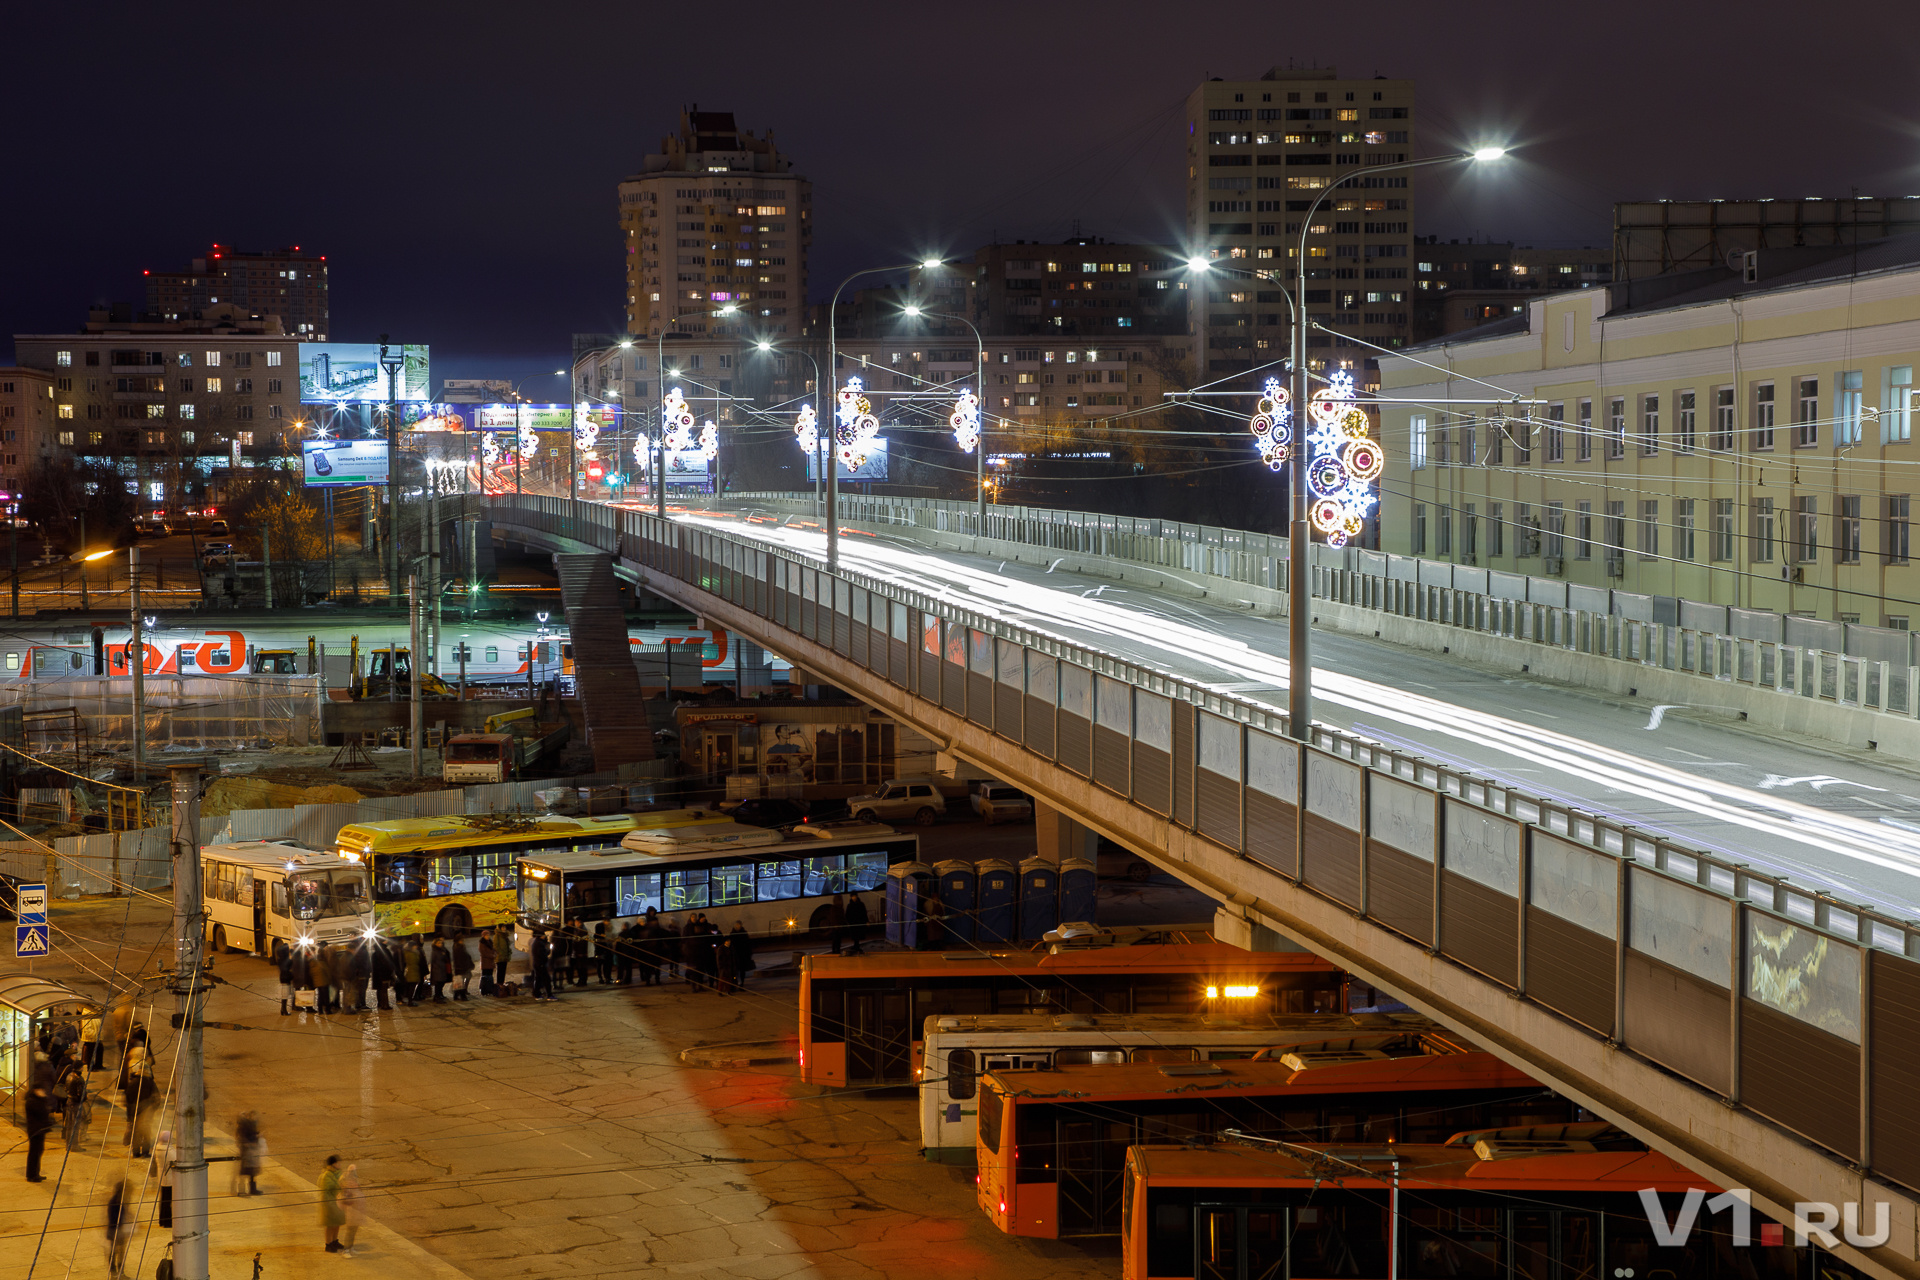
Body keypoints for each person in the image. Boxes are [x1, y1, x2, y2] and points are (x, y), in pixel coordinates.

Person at [23, 1069, 51, 1182]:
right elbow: (42, 1112)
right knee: (34, 1153)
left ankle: (35, 1173)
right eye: (41, 1090)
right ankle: (32, 1175)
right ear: (36, 1090)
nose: (43, 1092)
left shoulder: (36, 1100)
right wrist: (44, 1099)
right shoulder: (32, 1102)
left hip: (40, 1130)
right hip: (35, 1131)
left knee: (38, 1152)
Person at [61, 1057, 91, 1153]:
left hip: (69, 1102)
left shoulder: (69, 1075)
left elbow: (66, 1088)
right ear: (80, 1068)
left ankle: (68, 1145)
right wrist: (85, 1097)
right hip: (76, 1104)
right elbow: (81, 1094)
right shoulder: (79, 1079)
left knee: (69, 1125)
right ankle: (74, 1146)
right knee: (75, 1126)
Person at [105, 1180, 134, 1278]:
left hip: (118, 1230)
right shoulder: (115, 1202)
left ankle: (120, 1272)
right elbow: (115, 1218)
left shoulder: (120, 1201)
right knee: (115, 1251)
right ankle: (114, 1273)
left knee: (120, 1251)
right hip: (114, 1230)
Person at [339, 1161, 366, 1258]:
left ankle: (350, 1247)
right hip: (351, 1210)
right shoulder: (346, 1182)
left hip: (357, 1209)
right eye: (352, 1171)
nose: (353, 1173)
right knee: (350, 1230)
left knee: (354, 1229)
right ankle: (346, 1250)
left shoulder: (355, 1180)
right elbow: (346, 1196)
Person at [319, 1154, 345, 1252]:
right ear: (334, 1164)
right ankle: (328, 1244)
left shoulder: (338, 1173)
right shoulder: (327, 1175)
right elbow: (326, 1192)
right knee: (330, 1225)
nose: (340, 1164)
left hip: (338, 1202)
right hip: (329, 1204)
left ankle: (334, 1241)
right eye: (338, 1163)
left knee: (337, 1224)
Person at [234, 1111, 264, 1196]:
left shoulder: (247, 1126)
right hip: (247, 1152)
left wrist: (257, 1135)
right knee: (246, 1172)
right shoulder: (243, 1127)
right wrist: (252, 1143)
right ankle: (244, 1190)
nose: (246, 1115)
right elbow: (243, 1139)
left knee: (251, 1172)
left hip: (249, 1152)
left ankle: (251, 1189)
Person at [151, 1128, 174, 1227]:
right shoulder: (168, 1151)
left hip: (162, 1176)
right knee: (168, 1200)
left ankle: (162, 1220)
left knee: (164, 1199)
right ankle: (167, 1221)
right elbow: (177, 1160)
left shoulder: (157, 1148)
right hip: (169, 1178)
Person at [370, 938, 397, 1011]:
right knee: (384, 989)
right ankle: (385, 1005)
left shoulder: (375, 953)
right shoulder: (385, 951)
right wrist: (391, 971)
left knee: (379, 989)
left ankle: (380, 1003)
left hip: (377, 974)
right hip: (384, 973)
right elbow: (389, 963)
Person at [308, 943, 334, 1015]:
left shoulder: (312, 963)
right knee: (326, 997)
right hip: (324, 982)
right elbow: (327, 973)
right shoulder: (322, 964)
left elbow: (312, 973)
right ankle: (327, 1010)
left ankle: (320, 1010)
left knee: (320, 996)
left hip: (318, 982)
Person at [728, 923, 756, 989]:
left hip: (743, 956)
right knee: (735, 971)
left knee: (742, 971)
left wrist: (749, 954)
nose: (738, 927)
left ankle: (742, 983)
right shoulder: (732, 934)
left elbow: (748, 944)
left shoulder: (744, 934)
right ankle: (735, 982)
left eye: (739, 926)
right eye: (737, 926)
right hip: (735, 956)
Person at [531, 930, 555, 1002]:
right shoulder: (539, 944)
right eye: (544, 935)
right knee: (547, 979)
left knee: (538, 979)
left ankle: (536, 994)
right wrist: (548, 951)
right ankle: (549, 995)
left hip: (537, 963)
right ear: (541, 936)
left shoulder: (536, 942)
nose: (545, 936)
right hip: (540, 964)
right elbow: (543, 955)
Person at [273, 938, 295, 1015]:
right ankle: (284, 1010)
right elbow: (289, 966)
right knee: (285, 995)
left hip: (283, 978)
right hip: (286, 978)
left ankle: (283, 1010)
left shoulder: (280, 959)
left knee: (284, 995)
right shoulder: (286, 960)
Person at [402, 937, 425, 1006]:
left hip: (412, 972)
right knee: (411, 987)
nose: (416, 946)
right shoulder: (411, 954)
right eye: (415, 945)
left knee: (411, 987)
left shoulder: (410, 952)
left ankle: (410, 1000)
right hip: (412, 972)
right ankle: (410, 1001)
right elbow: (414, 962)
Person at [451, 933, 475, 1001]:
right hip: (460, 967)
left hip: (461, 967)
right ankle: (462, 995)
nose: (463, 941)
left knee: (460, 981)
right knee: (460, 982)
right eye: (462, 940)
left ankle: (457, 995)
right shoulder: (458, 947)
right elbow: (462, 958)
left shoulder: (459, 946)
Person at [428, 937, 452, 1003]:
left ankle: (439, 995)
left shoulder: (442, 950)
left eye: (441, 943)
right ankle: (437, 997)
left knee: (441, 983)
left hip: (442, 969)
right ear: (435, 944)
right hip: (438, 970)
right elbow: (433, 961)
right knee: (438, 984)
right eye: (438, 943)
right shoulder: (435, 951)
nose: (440, 944)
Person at [493, 924, 513, 994]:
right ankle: (499, 986)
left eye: (504, 927)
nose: (504, 928)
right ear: (500, 928)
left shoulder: (505, 936)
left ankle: (502, 985)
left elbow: (507, 946)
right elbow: (495, 946)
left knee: (503, 971)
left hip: (505, 956)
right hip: (500, 957)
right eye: (502, 927)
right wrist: (501, 953)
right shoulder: (497, 936)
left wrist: (508, 952)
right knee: (500, 971)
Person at [477, 927, 497, 996]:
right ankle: (484, 990)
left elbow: (493, 949)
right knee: (485, 977)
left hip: (490, 963)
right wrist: (492, 956)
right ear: (484, 936)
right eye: (487, 935)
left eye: (488, 935)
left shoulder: (490, 942)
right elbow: (483, 953)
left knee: (490, 976)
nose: (488, 936)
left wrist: (495, 953)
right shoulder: (482, 943)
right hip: (485, 963)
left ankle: (489, 989)